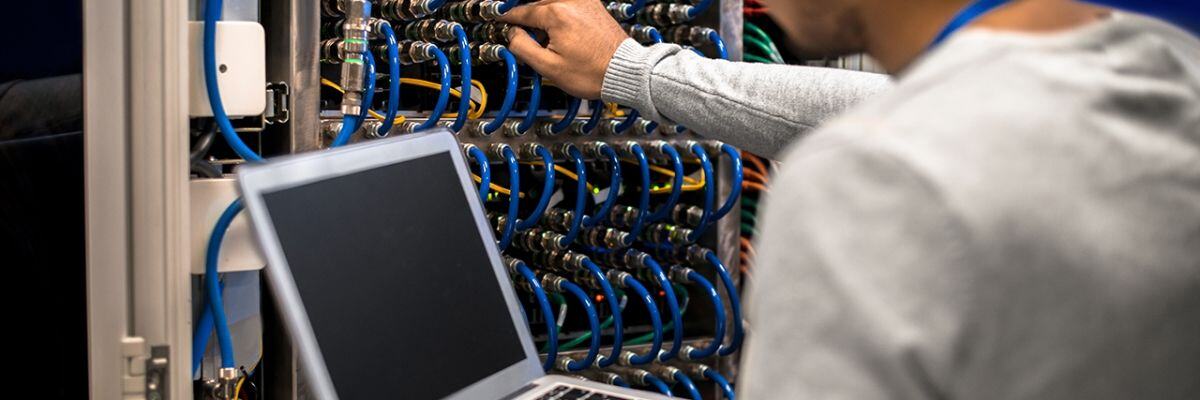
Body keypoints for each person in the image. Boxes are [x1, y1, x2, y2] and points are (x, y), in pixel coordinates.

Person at [498, 0, 1200, 398]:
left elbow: (898, 135)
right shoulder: (1168, 70)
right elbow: (893, 105)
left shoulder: (873, 180)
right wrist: (633, 70)